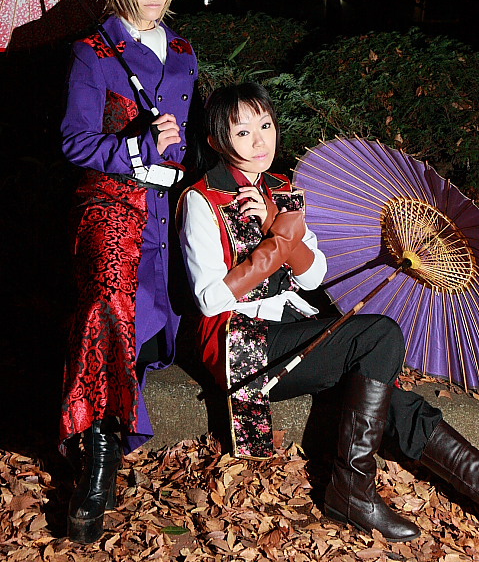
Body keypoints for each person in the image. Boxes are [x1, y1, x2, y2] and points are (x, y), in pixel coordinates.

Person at [178, 81, 479, 542]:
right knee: (379, 335)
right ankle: (353, 488)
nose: (260, 141)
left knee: (391, 395)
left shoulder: (283, 190)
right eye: (242, 133)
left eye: (266, 125)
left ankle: (441, 485)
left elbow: (314, 274)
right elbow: (210, 298)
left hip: (289, 326)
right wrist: (276, 244)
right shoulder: (201, 200)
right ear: (217, 141)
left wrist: (277, 227)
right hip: (238, 344)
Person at [60, 0, 201, 543]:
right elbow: (75, 141)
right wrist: (136, 148)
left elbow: (188, 137)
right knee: (105, 307)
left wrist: (183, 159)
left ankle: (114, 432)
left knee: (148, 320)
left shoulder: (185, 52)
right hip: (110, 206)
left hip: (164, 210)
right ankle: (96, 459)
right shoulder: (93, 52)